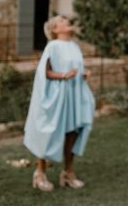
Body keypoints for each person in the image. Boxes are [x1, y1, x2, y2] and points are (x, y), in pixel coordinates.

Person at [24, 15, 95, 191]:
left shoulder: (74, 46)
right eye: (62, 21)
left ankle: (68, 173)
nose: (67, 22)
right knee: (49, 131)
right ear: (55, 30)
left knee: (72, 132)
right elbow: (45, 72)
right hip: (58, 95)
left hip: (74, 94)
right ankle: (40, 172)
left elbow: (74, 68)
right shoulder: (52, 46)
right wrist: (64, 75)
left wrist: (82, 74)